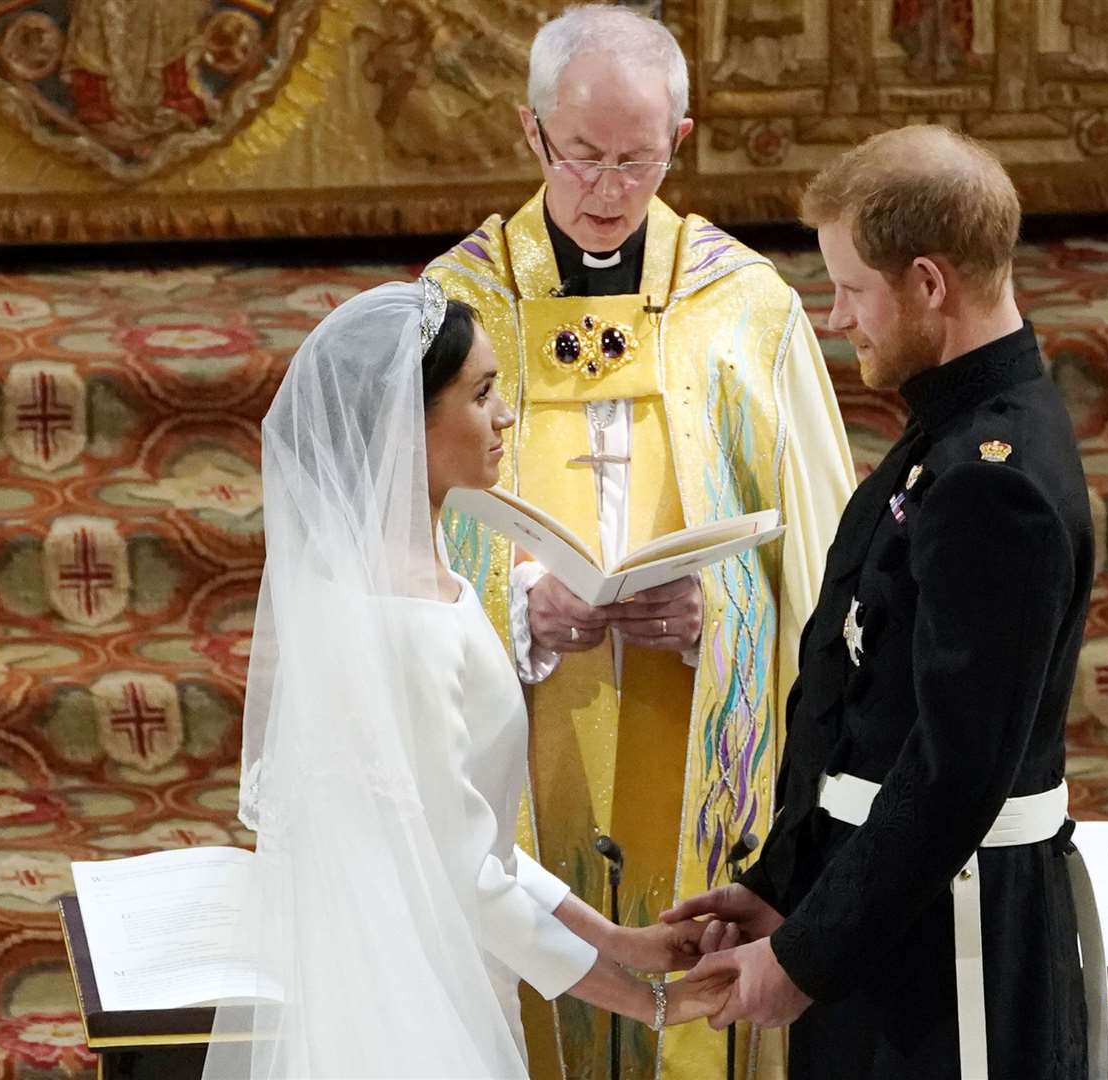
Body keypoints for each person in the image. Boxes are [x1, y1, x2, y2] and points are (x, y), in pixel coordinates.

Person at [424, 6, 855, 1077]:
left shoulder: (745, 309)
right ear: (532, 137)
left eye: (637, 160)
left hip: (696, 718)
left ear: (681, 138)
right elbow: (390, 536)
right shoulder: (453, 308)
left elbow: (830, 564)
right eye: (583, 158)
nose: (610, 192)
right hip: (526, 729)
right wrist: (514, 608)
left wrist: (732, 615)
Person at [664, 126, 1108, 1079]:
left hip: (955, 948)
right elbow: (855, 707)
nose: (837, 318)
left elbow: (955, 771)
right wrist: (789, 892)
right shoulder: (950, 434)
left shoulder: (996, 482)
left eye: (853, 290)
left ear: (928, 282)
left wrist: (805, 956)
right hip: (892, 915)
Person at [200, 279, 730, 1080]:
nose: (507, 416)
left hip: (427, 968)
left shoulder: (424, 565)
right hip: (406, 1008)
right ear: (405, 425)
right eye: (482, 394)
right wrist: (655, 1004)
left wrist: (622, 942)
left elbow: (474, 839)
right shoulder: (398, 614)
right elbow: (469, 879)